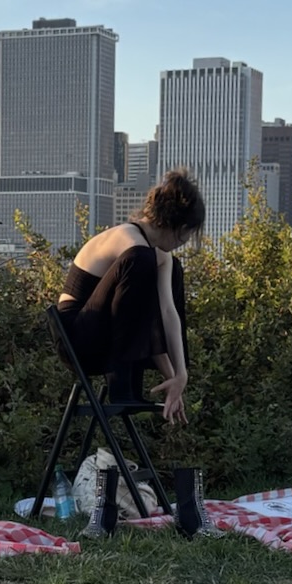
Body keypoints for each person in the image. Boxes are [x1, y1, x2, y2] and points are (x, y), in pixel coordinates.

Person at [56, 169, 204, 423]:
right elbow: (139, 313)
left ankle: (128, 382)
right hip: (77, 338)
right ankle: (120, 381)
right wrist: (172, 377)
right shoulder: (128, 240)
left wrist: (179, 377)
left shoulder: (158, 256)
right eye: (187, 233)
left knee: (171, 268)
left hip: (106, 336)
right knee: (142, 259)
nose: (186, 241)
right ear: (175, 225)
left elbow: (166, 314)